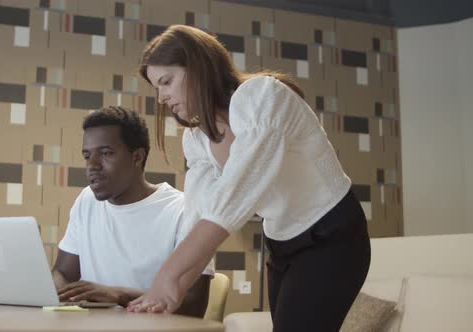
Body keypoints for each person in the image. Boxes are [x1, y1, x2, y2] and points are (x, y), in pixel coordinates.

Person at [127, 25, 371, 331]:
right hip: (282, 244)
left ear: (199, 67)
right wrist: (174, 288)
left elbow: (236, 194)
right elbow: (199, 214)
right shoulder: (197, 140)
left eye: (166, 82)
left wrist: (169, 275)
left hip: (332, 235)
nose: (161, 97)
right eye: (157, 88)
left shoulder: (262, 96)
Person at [52, 106, 213, 318]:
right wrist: (58, 293)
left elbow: (194, 305)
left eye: (106, 153)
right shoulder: (87, 201)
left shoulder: (183, 210)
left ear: (137, 157)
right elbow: (63, 273)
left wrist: (118, 295)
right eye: (87, 156)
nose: (92, 165)